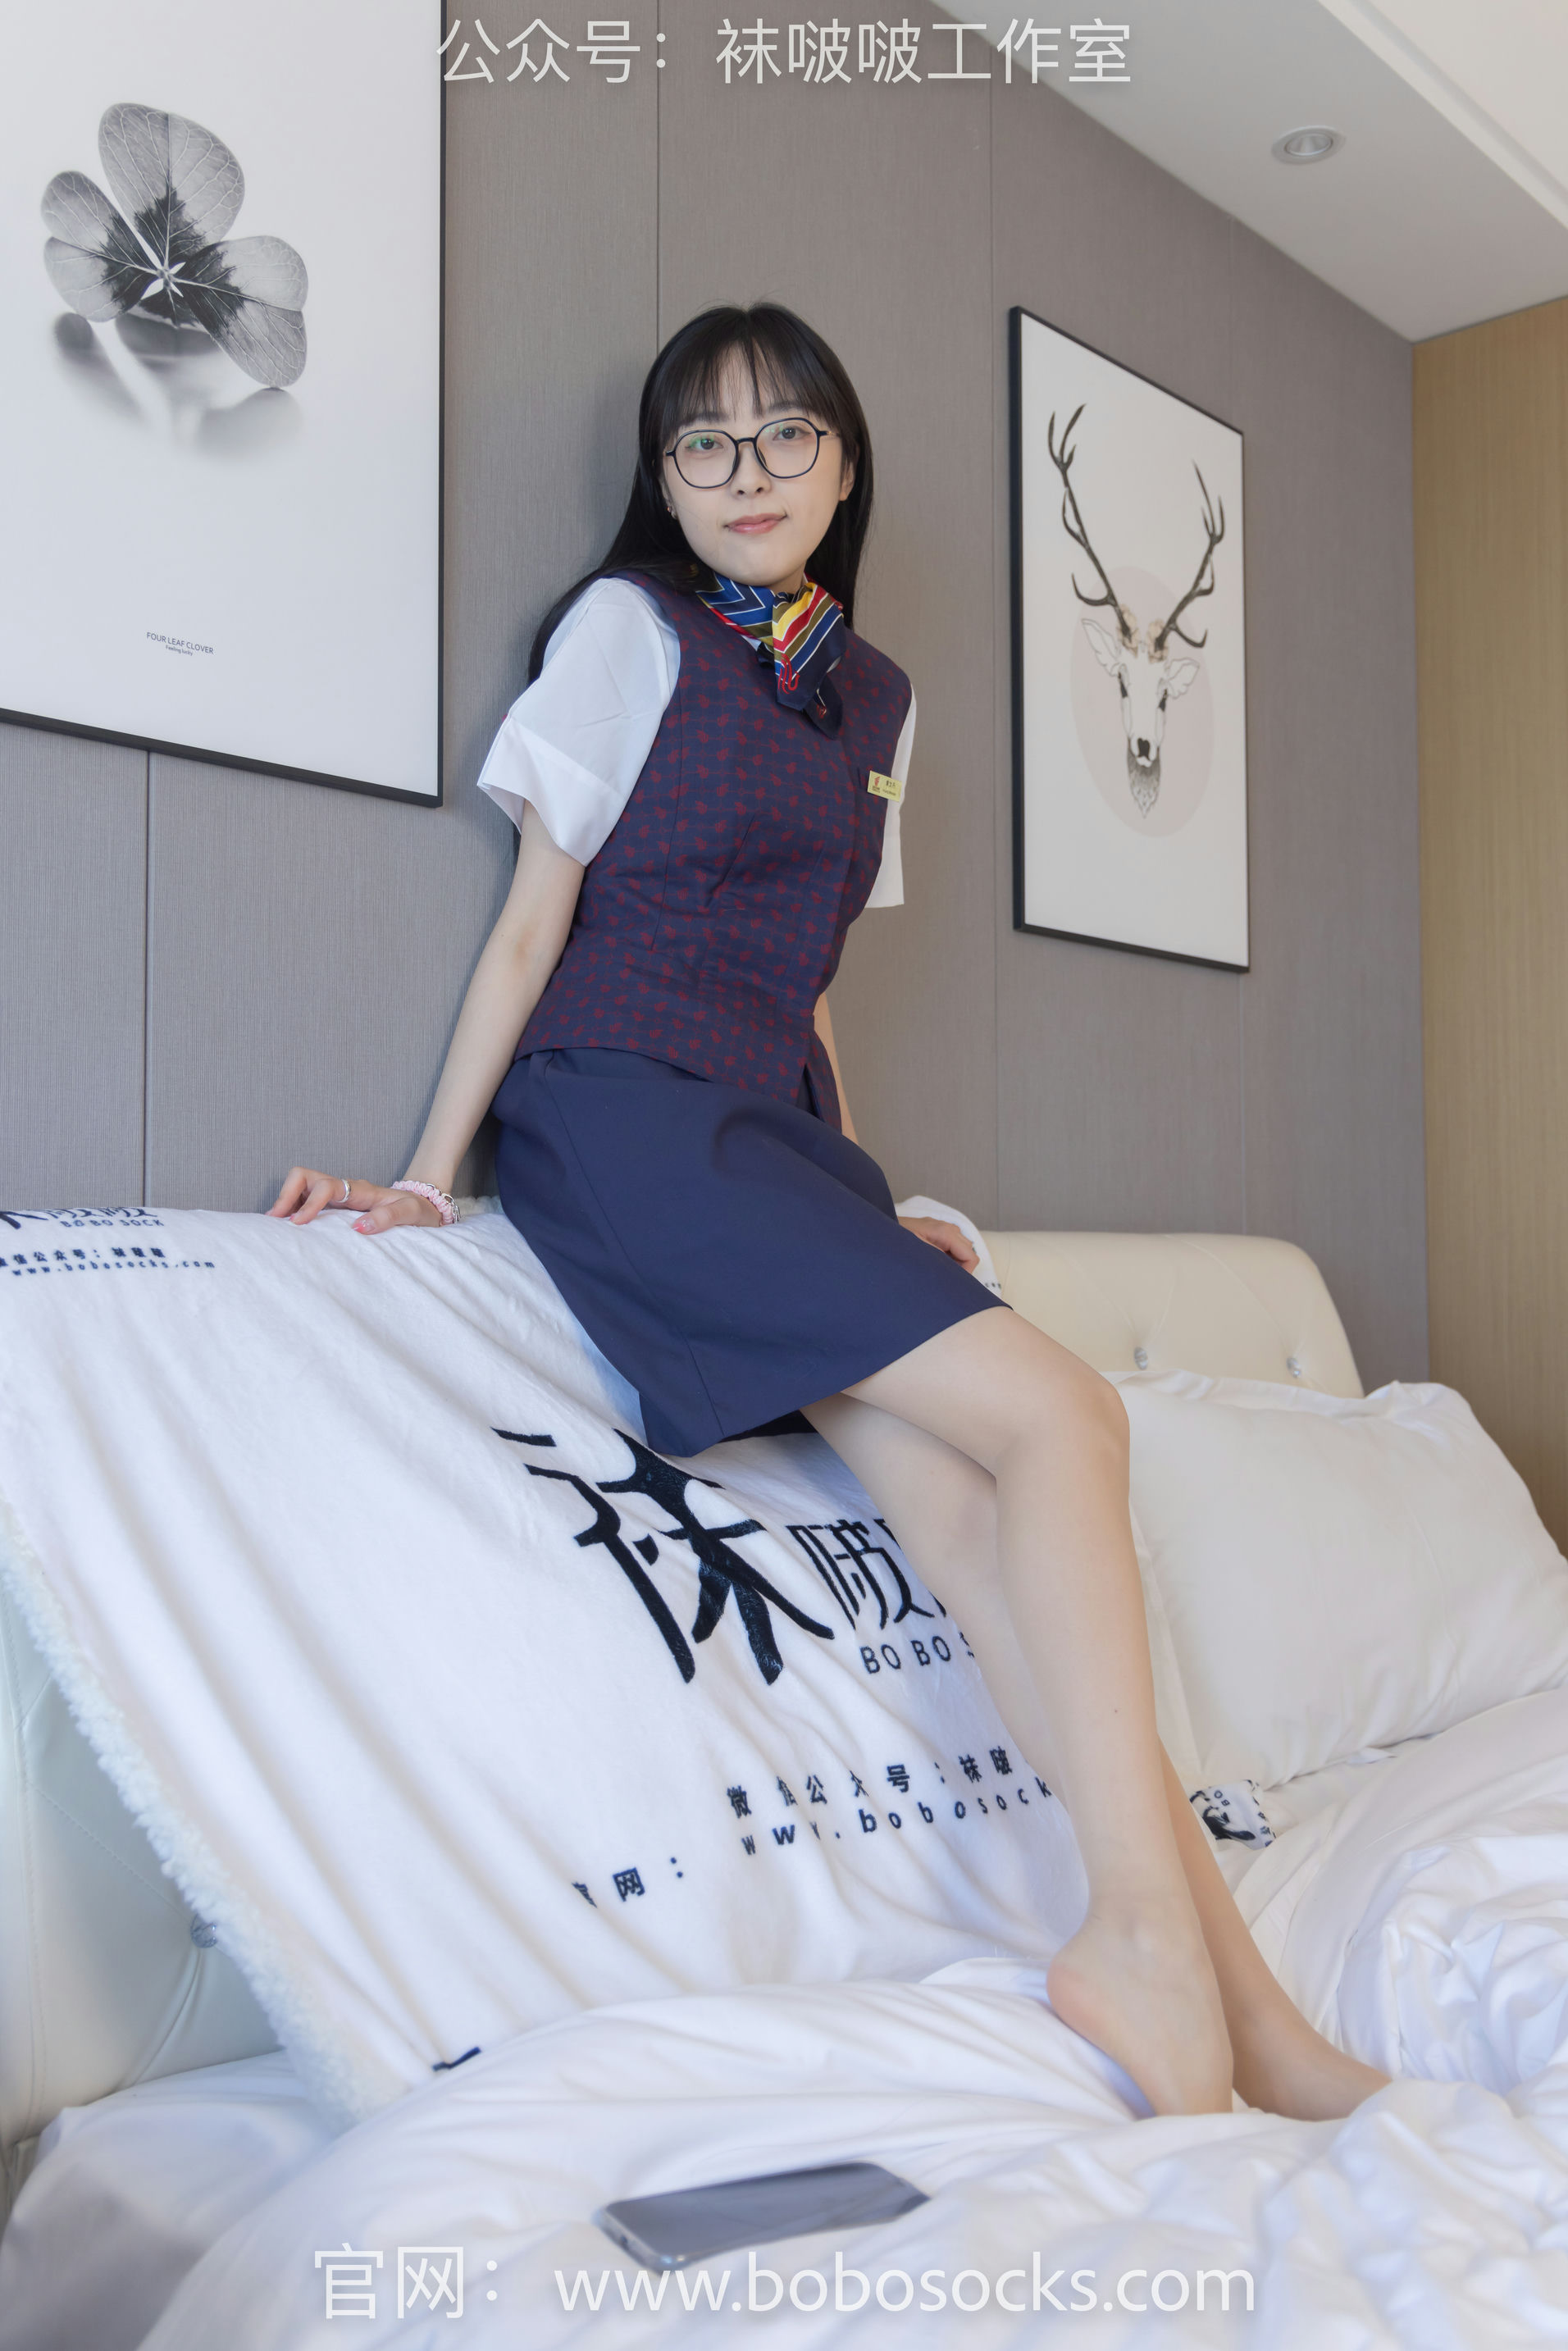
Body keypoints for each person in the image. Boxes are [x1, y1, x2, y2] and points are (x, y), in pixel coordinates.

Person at [271, 303, 1387, 2122]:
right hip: (619, 1121)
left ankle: (1234, 2000)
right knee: (1071, 1416)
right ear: (664, 480)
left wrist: (871, 1203)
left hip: (776, 1152)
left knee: (971, 1512)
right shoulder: (624, 633)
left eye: (784, 435)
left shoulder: (876, 698)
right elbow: (533, 923)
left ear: (843, 464)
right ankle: (1146, 1943)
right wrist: (426, 1172)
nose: (746, 473)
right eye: (702, 444)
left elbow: (810, 989)